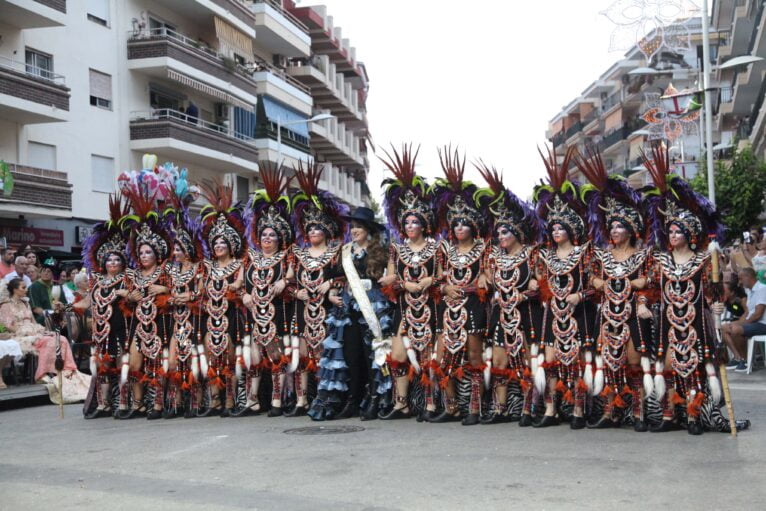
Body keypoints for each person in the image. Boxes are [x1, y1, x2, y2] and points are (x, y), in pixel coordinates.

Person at [643, 144, 725, 435]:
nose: (673, 235)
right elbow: (651, 288)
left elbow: (716, 289)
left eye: (678, 231)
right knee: (667, 364)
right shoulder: (661, 259)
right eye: (671, 231)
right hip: (667, 321)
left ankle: (692, 415)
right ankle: (669, 415)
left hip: (696, 319)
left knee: (695, 365)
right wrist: (643, 302)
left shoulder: (705, 258)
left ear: (690, 235)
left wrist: (718, 305)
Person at [577, 150, 654, 431]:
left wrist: (640, 290)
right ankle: (610, 412)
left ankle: (638, 412)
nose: (615, 230)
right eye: (612, 226)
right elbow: (591, 279)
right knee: (609, 363)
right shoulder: (602, 254)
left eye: (620, 226)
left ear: (632, 229)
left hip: (633, 312)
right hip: (608, 312)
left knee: (634, 362)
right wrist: (603, 283)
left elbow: (651, 282)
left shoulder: (643, 255)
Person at [475, 162, 543, 426]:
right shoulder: (493, 257)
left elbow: (543, 287)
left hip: (526, 316)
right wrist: (484, 279)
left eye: (505, 232)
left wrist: (528, 293)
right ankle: (501, 409)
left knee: (527, 362)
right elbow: (486, 280)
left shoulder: (534, 254)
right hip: (502, 317)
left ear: (517, 232)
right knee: (501, 362)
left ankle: (527, 409)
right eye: (499, 232)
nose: (500, 236)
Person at [533, 146, 595, 429]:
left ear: (571, 230)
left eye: (560, 228)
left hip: (578, 314)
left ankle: (579, 410)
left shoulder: (585, 253)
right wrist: (538, 286)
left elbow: (597, 287)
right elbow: (538, 282)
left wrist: (579, 295)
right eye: (553, 228)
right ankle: (550, 409)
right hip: (552, 316)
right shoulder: (544, 255)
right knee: (550, 361)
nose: (555, 232)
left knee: (579, 362)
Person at [377, 144, 440, 421]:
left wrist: (429, 280)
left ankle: (430, 404)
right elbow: (390, 279)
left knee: (427, 358)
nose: (410, 226)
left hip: (431, 307)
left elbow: (446, 275)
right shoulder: (396, 249)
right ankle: (400, 404)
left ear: (424, 225)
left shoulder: (437, 248)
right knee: (399, 356)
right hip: (404, 308)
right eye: (407, 222)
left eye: (415, 222)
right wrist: (396, 281)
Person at [430, 147, 489, 426]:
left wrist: (480, 281)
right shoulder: (445, 249)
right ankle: (451, 406)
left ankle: (474, 407)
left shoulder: (483, 248)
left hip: (473, 305)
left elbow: (486, 277)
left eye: (465, 223)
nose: (459, 228)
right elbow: (439, 277)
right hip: (448, 307)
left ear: (474, 226)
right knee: (442, 357)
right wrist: (444, 289)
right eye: (455, 224)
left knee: (474, 356)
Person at [289, 161, 347, 421]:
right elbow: (288, 282)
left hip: (327, 310)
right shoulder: (297, 253)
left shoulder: (336, 251)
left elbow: (348, 277)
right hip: (303, 309)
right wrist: (295, 293)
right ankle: (302, 399)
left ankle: (325, 398)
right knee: (302, 356)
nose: (313, 232)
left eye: (317, 228)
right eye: (309, 228)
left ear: (326, 231)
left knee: (325, 355)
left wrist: (331, 284)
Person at [240, 164, 295, 417]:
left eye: (272, 235)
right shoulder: (249, 256)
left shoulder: (287, 256)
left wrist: (284, 282)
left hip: (277, 313)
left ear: (280, 237)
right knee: (252, 358)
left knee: (276, 357)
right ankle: (252, 401)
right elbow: (239, 284)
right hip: (253, 313)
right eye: (264, 234)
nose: (267, 238)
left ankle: (276, 401)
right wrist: (244, 295)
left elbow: (293, 279)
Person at [118, 186, 172, 420]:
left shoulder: (166, 270)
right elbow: (122, 295)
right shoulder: (131, 274)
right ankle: (138, 404)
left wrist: (165, 288)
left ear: (156, 254)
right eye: (141, 252)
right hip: (138, 327)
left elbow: (180, 289)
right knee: (134, 363)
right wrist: (128, 296)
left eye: (148, 252)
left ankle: (158, 404)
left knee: (158, 364)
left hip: (160, 324)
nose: (143, 256)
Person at [336, 206, 393, 419]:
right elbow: (334, 274)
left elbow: (389, 276)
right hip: (350, 307)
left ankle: (375, 398)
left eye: (358, 227)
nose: (354, 230)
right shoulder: (345, 251)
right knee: (352, 355)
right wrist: (330, 287)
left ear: (368, 229)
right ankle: (353, 399)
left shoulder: (379, 250)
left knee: (373, 354)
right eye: (352, 227)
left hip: (373, 307)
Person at [77, 194, 131, 418]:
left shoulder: (128, 278)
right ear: (103, 262)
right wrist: (70, 308)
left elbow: (137, 295)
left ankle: (124, 402)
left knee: (122, 366)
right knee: (102, 368)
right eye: (109, 260)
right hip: (101, 331)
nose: (113, 263)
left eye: (117, 260)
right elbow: (88, 301)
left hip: (121, 328)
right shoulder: (96, 280)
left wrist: (128, 294)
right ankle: (103, 403)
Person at [199, 181, 247, 417]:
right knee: (211, 359)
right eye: (215, 243)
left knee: (229, 359)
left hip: (231, 316)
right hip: (210, 317)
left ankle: (230, 400)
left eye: (223, 243)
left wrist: (236, 286)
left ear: (231, 245)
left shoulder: (239, 265)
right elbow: (198, 291)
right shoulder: (206, 267)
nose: (218, 246)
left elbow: (241, 287)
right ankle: (214, 401)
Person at [0, 278, 90, 401]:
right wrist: (27, 331)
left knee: (61, 338)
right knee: (48, 341)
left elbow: (33, 321)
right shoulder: (6, 306)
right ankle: (42, 373)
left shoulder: (25, 303)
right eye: (23, 287)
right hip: (20, 334)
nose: (26, 290)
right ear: (14, 289)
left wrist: (37, 330)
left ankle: (66, 370)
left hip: (33, 331)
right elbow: (9, 326)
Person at [164, 185, 206, 419]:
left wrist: (187, 297)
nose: (176, 251)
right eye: (174, 248)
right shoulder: (170, 270)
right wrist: (170, 297)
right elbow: (162, 291)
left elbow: (202, 292)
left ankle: (196, 402)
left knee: (194, 363)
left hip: (194, 321)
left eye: (180, 248)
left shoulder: (199, 268)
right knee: (172, 363)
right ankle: (176, 401)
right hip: (176, 321)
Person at [721, 267, 766, 372]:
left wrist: (742, 324)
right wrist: (740, 322)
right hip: (753, 322)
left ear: (748, 277)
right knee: (723, 328)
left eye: (741, 279)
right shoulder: (749, 291)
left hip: (762, 324)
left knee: (736, 329)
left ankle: (746, 360)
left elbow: (758, 314)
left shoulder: (762, 289)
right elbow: (748, 313)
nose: (739, 282)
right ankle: (738, 358)